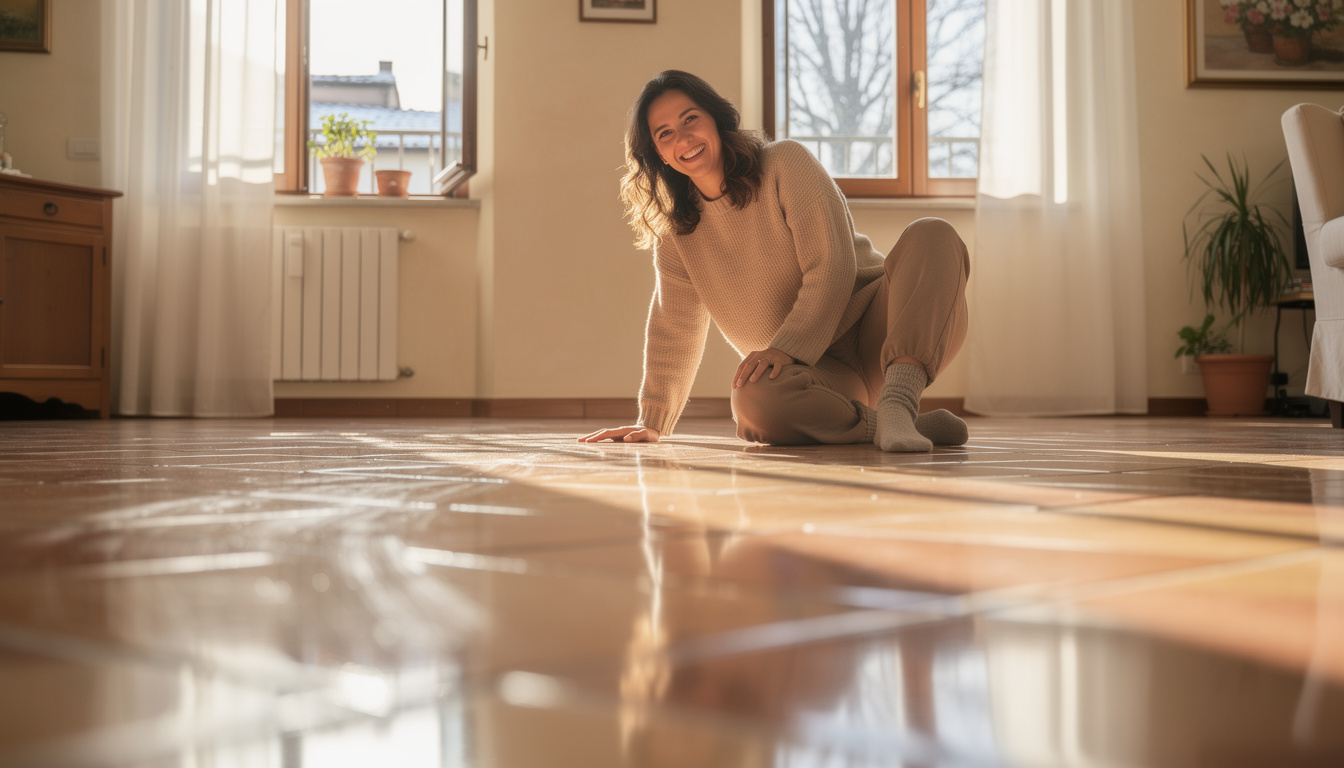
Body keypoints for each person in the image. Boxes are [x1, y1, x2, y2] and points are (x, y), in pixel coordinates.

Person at [580, 70, 969, 452]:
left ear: (716, 119)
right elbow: (674, 326)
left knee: (932, 233)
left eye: (690, 119)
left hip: (883, 328)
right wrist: (652, 422)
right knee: (752, 400)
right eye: (665, 134)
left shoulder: (785, 163)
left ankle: (899, 402)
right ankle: (891, 425)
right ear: (659, 155)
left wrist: (788, 347)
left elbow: (832, 265)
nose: (683, 138)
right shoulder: (677, 235)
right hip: (817, 377)